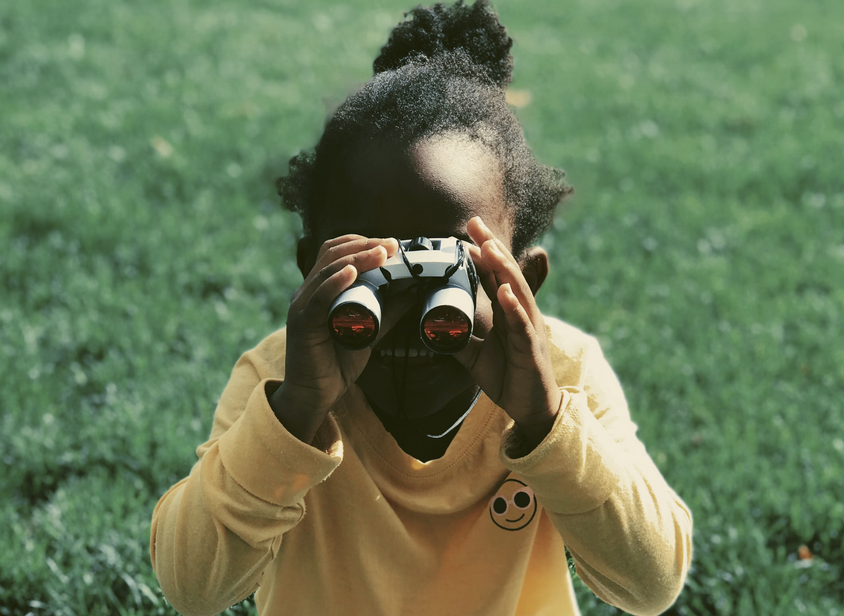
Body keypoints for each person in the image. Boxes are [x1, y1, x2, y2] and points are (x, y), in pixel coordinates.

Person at [150, 2, 693, 615]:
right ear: (315, 270)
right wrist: (298, 411)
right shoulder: (280, 380)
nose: (409, 316)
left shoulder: (560, 373)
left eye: (449, 282)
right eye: (376, 281)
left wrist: (544, 421)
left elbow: (651, 585)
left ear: (524, 282)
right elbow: (193, 589)